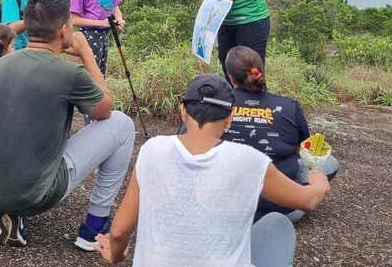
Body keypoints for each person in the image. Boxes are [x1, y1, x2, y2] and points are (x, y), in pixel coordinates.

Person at [94, 74, 331, 267]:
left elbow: (118, 233)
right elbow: (307, 201)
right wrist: (319, 182)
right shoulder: (249, 161)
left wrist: (116, 255)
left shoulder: (152, 150)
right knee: (276, 225)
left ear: (183, 111)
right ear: (229, 118)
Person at [0, 0, 135, 249]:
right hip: (38, 194)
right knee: (123, 124)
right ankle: (95, 227)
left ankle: (11, 209)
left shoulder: (2, 64)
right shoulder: (68, 73)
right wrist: (85, 54)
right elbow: (105, 109)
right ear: (63, 31)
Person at [222, 45, 339, 222]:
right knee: (329, 163)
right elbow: (305, 149)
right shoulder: (289, 106)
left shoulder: (218, 106)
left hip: (227, 208)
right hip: (284, 210)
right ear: (260, 72)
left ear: (230, 77)